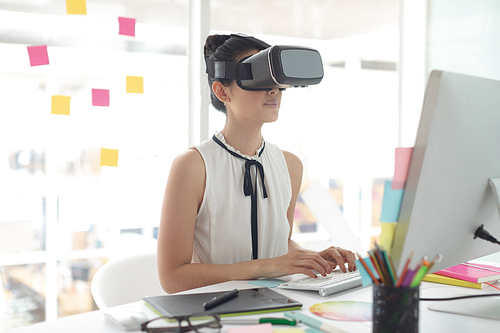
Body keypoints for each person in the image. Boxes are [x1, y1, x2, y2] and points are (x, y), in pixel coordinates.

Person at [157, 33, 357, 294]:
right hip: (215, 312)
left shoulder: (290, 165)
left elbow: (280, 244)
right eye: (257, 77)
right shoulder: (193, 166)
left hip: (281, 304)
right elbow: (172, 278)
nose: (273, 89)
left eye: (275, 79)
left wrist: (312, 258)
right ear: (221, 91)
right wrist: (265, 267)